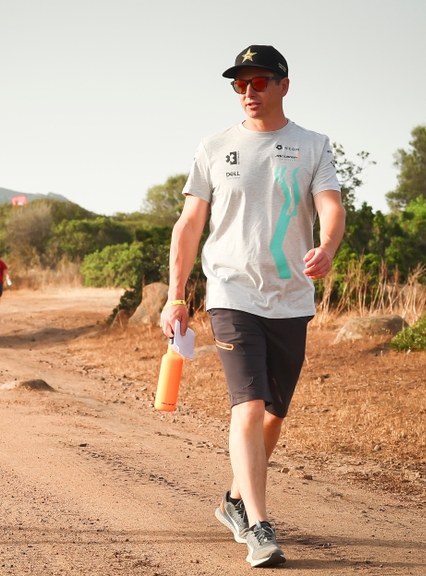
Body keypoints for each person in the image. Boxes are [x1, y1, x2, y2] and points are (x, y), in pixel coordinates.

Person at [160, 45, 345, 567]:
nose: (248, 92)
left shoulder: (313, 145)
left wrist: (327, 247)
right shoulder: (215, 146)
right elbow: (189, 225)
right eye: (240, 84)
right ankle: (260, 527)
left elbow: (330, 206)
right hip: (231, 295)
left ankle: (236, 501)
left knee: (274, 414)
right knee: (249, 405)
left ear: (284, 84)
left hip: (290, 299)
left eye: (259, 82)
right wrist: (177, 296)